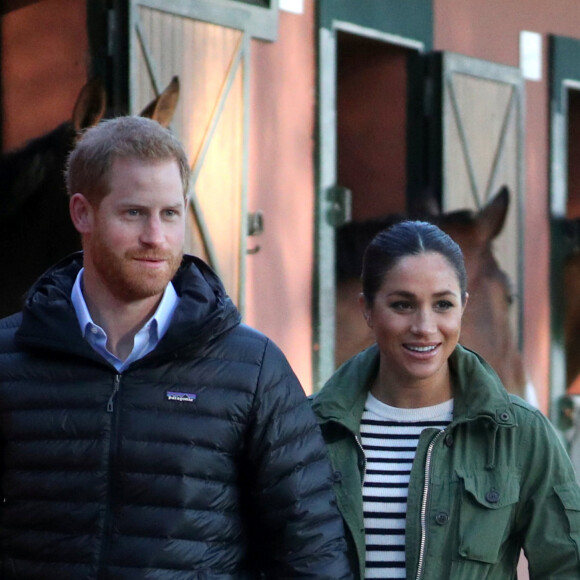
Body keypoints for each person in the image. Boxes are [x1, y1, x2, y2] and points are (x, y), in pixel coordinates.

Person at [0, 116, 352, 579]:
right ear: (82, 213)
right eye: (134, 213)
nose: (156, 237)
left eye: (170, 213)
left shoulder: (253, 368)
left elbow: (310, 552)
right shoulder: (9, 358)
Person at [311, 220, 580, 579]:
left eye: (442, 304)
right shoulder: (308, 430)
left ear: (463, 307)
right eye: (403, 305)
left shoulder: (518, 434)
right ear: (367, 309)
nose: (424, 326)